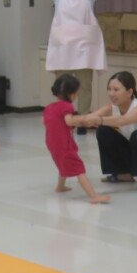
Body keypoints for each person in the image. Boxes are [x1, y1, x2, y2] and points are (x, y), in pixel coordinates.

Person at [36, 0, 117, 123]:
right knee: (62, 85)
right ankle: (64, 116)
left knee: (85, 85)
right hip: (63, 47)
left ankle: (82, 118)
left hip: (84, 48)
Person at [42, 74, 109, 204]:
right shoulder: (66, 106)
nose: (77, 95)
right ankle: (93, 195)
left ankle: (60, 186)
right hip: (63, 143)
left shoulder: (49, 107)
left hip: (52, 143)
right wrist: (83, 120)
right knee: (79, 168)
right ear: (70, 94)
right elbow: (69, 121)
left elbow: (46, 122)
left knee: (62, 163)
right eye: (76, 93)